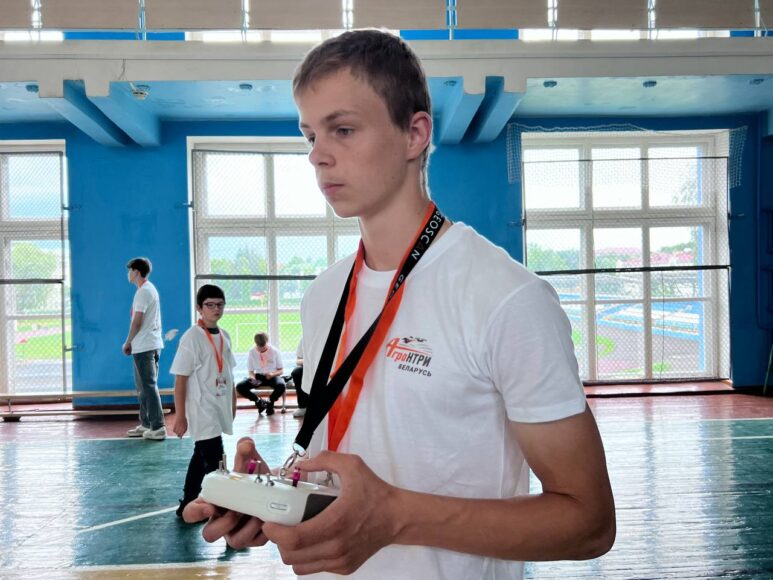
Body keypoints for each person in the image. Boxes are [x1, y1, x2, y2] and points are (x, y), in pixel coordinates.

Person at [184, 29, 615, 579]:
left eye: (343, 130)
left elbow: (589, 522)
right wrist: (278, 500)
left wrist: (395, 518)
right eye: (310, 135)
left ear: (415, 134)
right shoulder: (323, 295)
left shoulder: (507, 298)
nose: (317, 155)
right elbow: (347, 474)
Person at [170, 284, 237, 517]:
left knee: (200, 455)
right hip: (202, 409)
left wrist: (233, 404)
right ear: (199, 308)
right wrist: (180, 416)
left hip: (219, 407)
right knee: (215, 460)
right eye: (210, 305)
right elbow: (180, 379)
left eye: (220, 304)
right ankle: (223, 511)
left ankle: (187, 503)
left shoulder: (225, 336)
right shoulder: (192, 337)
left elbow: (229, 374)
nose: (216, 309)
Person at [123, 257, 166, 441]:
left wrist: (128, 342)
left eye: (130, 270)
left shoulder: (144, 292)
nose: (128, 273)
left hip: (145, 346)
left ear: (136, 272)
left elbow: (137, 321)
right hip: (146, 345)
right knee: (143, 388)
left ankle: (158, 427)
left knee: (148, 386)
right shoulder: (146, 290)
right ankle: (146, 424)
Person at [235, 332, 286, 416]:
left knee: (281, 385)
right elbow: (251, 371)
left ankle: (270, 402)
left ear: (267, 342)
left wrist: (272, 374)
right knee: (240, 386)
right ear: (256, 344)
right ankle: (258, 401)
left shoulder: (275, 351)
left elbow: (281, 370)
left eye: (263, 346)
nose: (261, 348)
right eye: (259, 346)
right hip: (258, 377)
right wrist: (252, 378)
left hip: (272, 376)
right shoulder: (252, 352)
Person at [290, 339, 307, 418]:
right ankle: (303, 406)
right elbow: (298, 360)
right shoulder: (303, 340)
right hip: (307, 367)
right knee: (296, 372)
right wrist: (307, 361)